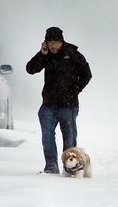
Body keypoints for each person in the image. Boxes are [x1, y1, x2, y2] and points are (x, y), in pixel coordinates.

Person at [26, 27, 92, 174]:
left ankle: (71, 169)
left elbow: (87, 74)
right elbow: (30, 69)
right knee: (47, 136)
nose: (52, 46)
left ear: (61, 41)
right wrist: (41, 55)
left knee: (69, 137)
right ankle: (51, 167)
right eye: (49, 43)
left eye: (55, 43)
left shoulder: (73, 54)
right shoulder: (46, 55)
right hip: (48, 104)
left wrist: (75, 90)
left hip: (68, 105)